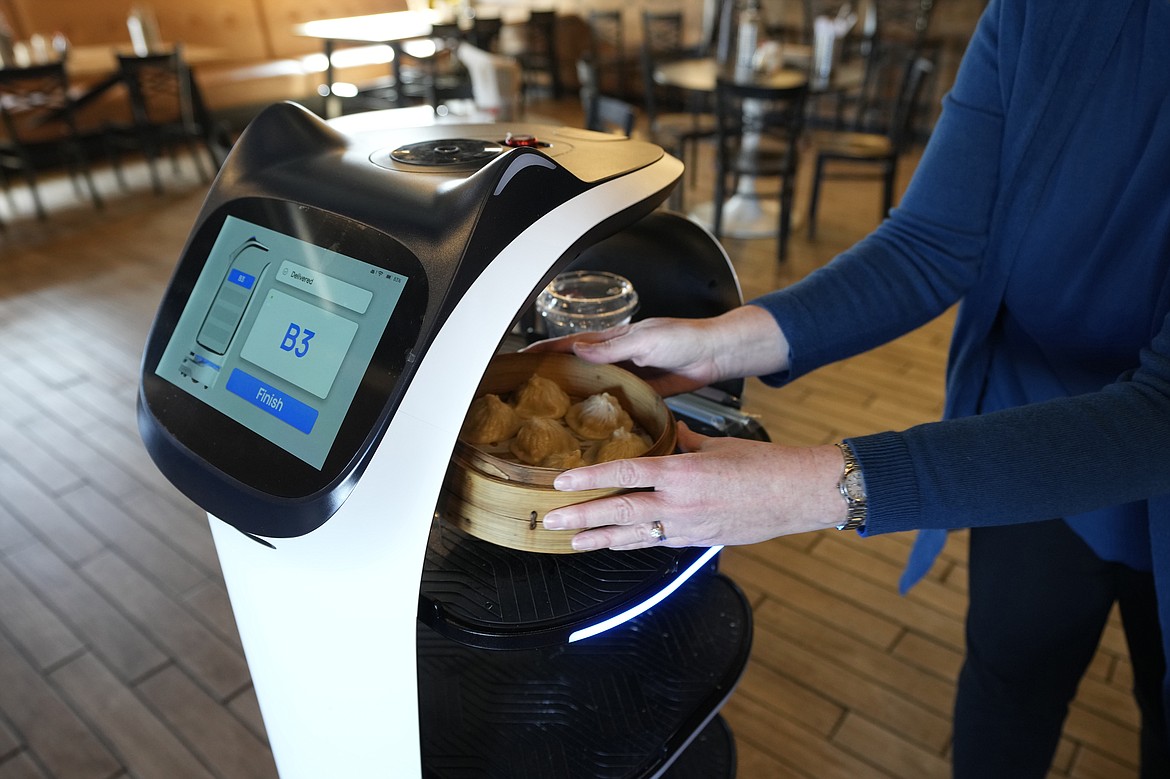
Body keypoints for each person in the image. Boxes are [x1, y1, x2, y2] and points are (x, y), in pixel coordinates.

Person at [530, 0, 1170, 775]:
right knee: (1009, 680)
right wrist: (722, 342)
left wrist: (820, 487)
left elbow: (1156, 416)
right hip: (1025, 432)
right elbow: (931, 242)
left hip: (1121, 442)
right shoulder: (1037, 13)